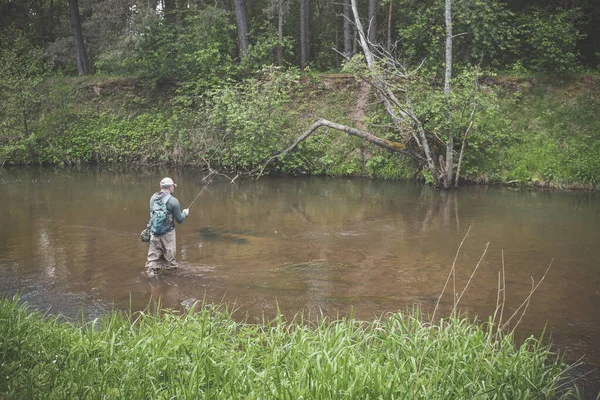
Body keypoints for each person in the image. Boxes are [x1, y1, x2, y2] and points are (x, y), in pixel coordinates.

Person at [145, 177, 189, 277]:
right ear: (170, 187)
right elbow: (179, 220)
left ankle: (152, 281)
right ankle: (171, 282)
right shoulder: (173, 201)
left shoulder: (153, 198)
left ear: (161, 187)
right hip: (168, 234)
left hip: (154, 232)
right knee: (170, 262)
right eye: (173, 186)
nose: (173, 188)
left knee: (152, 261)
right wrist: (185, 213)